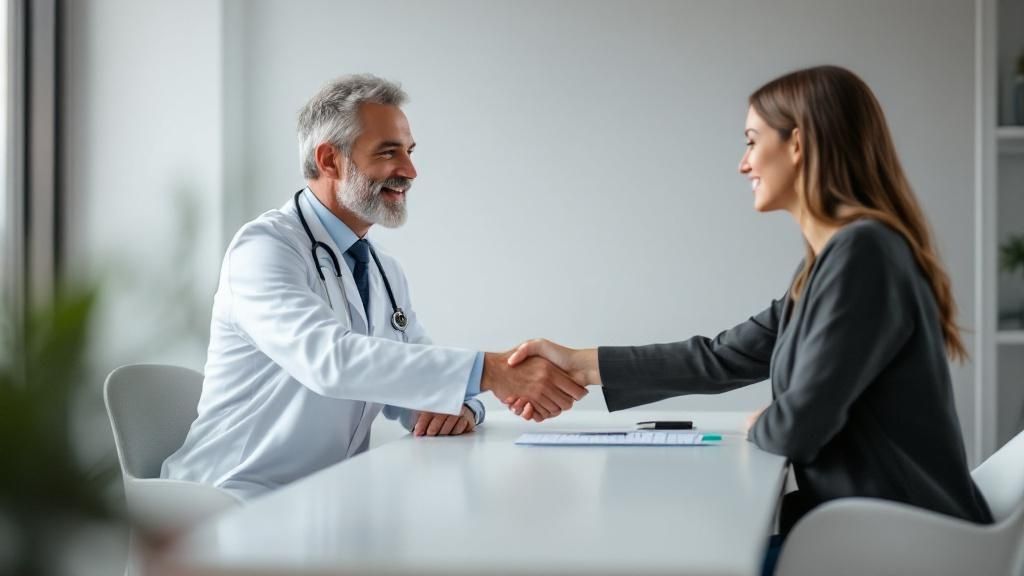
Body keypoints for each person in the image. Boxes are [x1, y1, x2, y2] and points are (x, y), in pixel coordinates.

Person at [504, 65, 992, 572]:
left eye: (752, 141)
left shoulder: (863, 255)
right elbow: (722, 358)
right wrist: (577, 363)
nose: (743, 164)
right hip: (867, 536)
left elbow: (797, 428)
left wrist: (771, 422)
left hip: (903, 549)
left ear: (798, 144)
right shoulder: (829, 264)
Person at [162, 74, 586, 500]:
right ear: (329, 160)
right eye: (388, 153)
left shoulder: (382, 268)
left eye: (409, 151)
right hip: (231, 499)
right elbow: (330, 360)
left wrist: (462, 405)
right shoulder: (264, 249)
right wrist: (491, 372)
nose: (410, 171)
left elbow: (412, 373)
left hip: (321, 501)